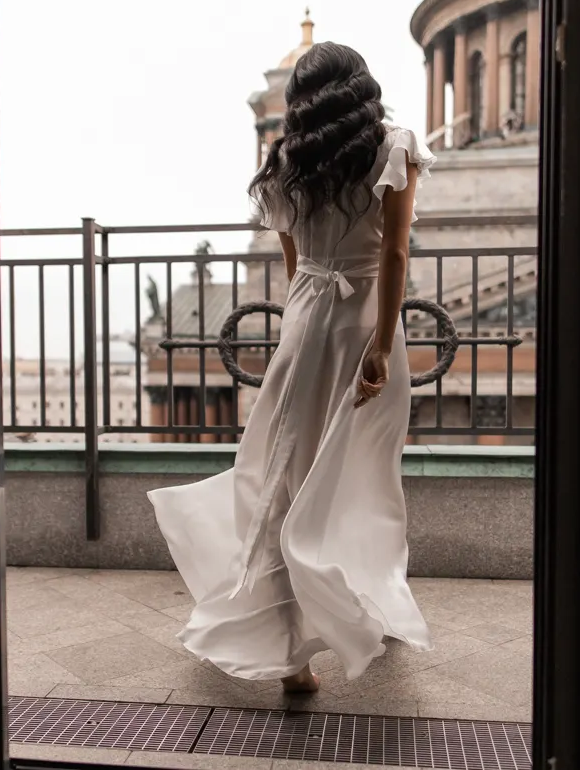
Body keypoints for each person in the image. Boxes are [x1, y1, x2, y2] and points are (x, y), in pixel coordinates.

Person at [147, 42, 434, 693]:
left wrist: (310, 314)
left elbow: (295, 266)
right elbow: (394, 254)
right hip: (364, 320)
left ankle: (293, 655)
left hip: (306, 320)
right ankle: (373, 602)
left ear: (301, 100)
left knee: (285, 473)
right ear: (360, 87)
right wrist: (381, 344)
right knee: (366, 475)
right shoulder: (394, 147)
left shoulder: (283, 163)